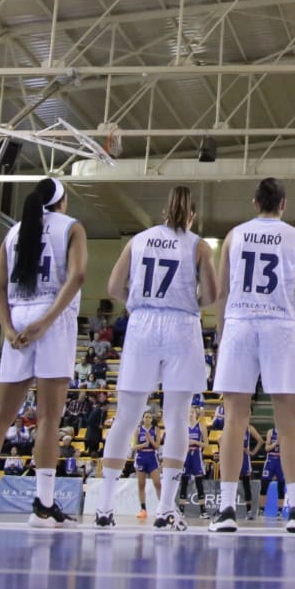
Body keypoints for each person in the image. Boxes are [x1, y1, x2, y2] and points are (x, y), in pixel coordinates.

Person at [0, 177, 85, 528]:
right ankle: (42, 505)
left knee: (0, 416)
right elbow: (78, 276)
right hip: (51, 320)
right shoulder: (71, 227)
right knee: (48, 418)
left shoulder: (13, 232)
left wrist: (8, 328)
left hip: (17, 319)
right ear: (61, 201)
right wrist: (46, 321)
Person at [88, 187, 215, 530]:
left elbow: (114, 287)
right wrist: (188, 302)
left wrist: (140, 300)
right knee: (176, 419)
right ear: (191, 216)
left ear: (164, 212)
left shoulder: (140, 240)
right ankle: (166, 509)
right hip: (181, 326)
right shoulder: (198, 245)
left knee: (125, 417)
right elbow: (213, 294)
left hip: (143, 323)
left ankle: (104, 508)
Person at [208, 178, 295, 532]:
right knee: (289, 425)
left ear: (255, 203)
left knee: (234, 420)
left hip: (239, 323)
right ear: (283, 204)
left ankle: (226, 509)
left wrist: (223, 338)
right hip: (280, 327)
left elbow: (221, 293)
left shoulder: (233, 236)